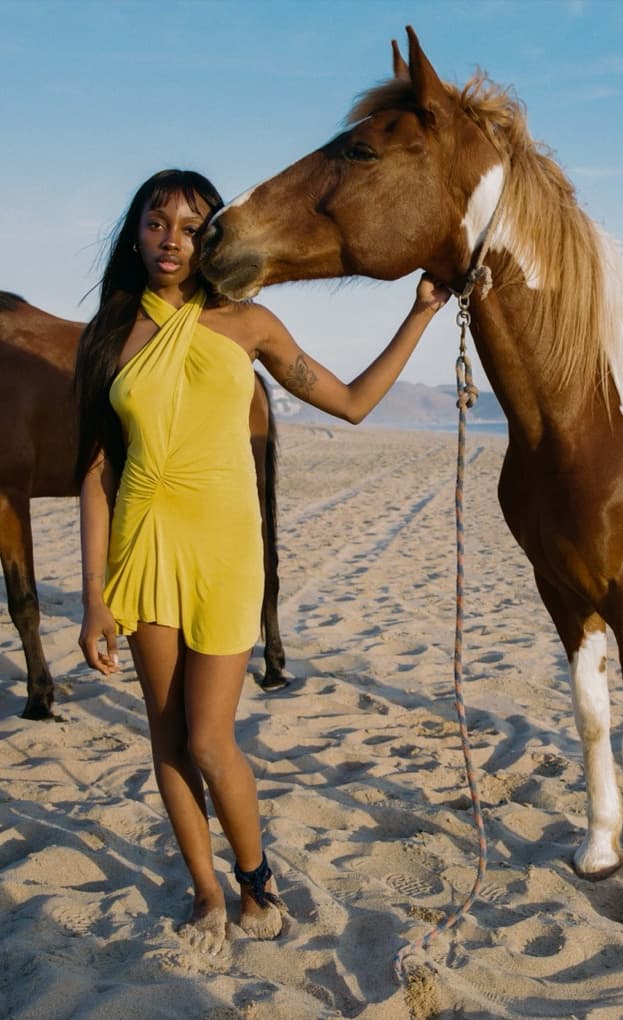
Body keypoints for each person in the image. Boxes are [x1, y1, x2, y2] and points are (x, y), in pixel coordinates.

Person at [75, 168, 450, 955]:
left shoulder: (250, 323)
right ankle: (206, 893)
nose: (170, 239)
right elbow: (96, 472)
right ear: (136, 234)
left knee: (211, 739)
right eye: (155, 222)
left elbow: (350, 402)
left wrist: (417, 315)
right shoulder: (111, 334)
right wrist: (92, 598)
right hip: (143, 546)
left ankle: (255, 878)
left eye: (188, 225)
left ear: (211, 238)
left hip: (225, 549)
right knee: (167, 739)